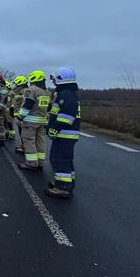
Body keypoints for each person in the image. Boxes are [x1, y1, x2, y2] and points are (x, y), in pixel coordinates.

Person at [45, 66, 81, 199]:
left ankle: (63, 188)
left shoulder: (66, 94)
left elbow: (67, 115)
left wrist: (55, 128)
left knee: (58, 159)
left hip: (64, 134)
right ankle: (66, 183)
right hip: (66, 135)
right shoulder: (68, 93)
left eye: (54, 79)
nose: (53, 82)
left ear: (61, 79)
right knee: (66, 160)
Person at [16, 70, 51, 171]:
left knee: (29, 141)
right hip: (43, 121)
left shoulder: (32, 90)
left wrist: (20, 117)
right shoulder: (47, 92)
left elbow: (27, 105)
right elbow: (49, 107)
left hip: (30, 122)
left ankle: (31, 163)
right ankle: (40, 162)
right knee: (40, 141)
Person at [10, 75, 28, 154]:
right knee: (21, 132)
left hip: (22, 117)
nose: (15, 85)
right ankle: (23, 145)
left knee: (24, 133)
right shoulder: (18, 91)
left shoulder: (25, 91)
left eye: (16, 84)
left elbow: (23, 104)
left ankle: (25, 147)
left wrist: (20, 117)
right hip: (18, 115)